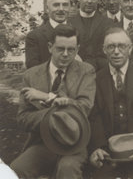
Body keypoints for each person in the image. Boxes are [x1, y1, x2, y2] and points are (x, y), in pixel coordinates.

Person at [10, 24, 96, 179]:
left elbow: (84, 108)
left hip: (75, 143)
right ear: (50, 47)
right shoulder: (31, 76)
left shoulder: (86, 71)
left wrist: (47, 97)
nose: (65, 54)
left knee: (67, 170)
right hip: (43, 143)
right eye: (60, 49)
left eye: (71, 50)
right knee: (15, 170)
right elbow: (23, 119)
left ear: (77, 49)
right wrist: (51, 118)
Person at [88, 27, 133, 178]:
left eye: (121, 46)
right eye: (111, 46)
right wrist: (98, 147)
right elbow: (94, 116)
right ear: (104, 50)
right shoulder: (96, 78)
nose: (116, 51)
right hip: (110, 153)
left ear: (130, 48)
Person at [69, 0, 114, 70]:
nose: (89, 1)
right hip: (74, 72)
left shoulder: (108, 23)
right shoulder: (69, 23)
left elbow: (108, 52)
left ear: (99, 0)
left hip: (101, 73)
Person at [25, 0, 71, 69]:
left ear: (69, 7)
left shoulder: (79, 32)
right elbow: (33, 69)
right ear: (47, 8)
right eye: (56, 5)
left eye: (65, 5)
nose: (61, 9)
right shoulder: (34, 37)